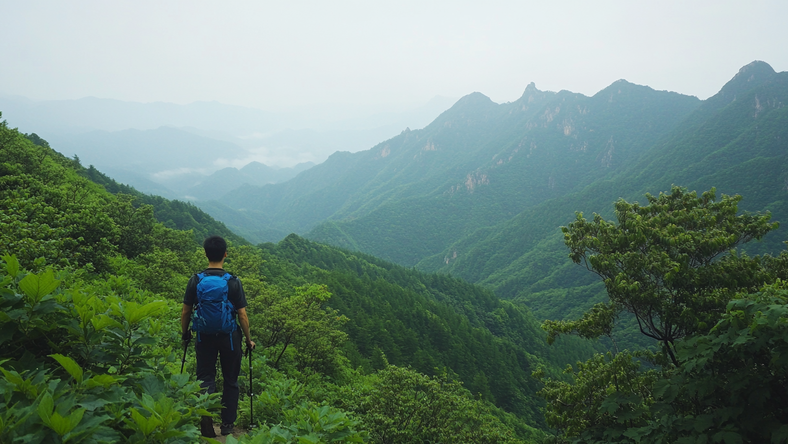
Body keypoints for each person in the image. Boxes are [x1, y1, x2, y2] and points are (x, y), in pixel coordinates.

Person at [181, 235, 256, 437]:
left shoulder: (196, 280)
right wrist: (248, 339)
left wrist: (185, 333)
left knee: (205, 377)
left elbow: (186, 311)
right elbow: (242, 315)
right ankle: (227, 426)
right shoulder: (233, 282)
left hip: (203, 336)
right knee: (231, 379)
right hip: (229, 338)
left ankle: (206, 420)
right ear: (225, 254)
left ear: (206, 254)